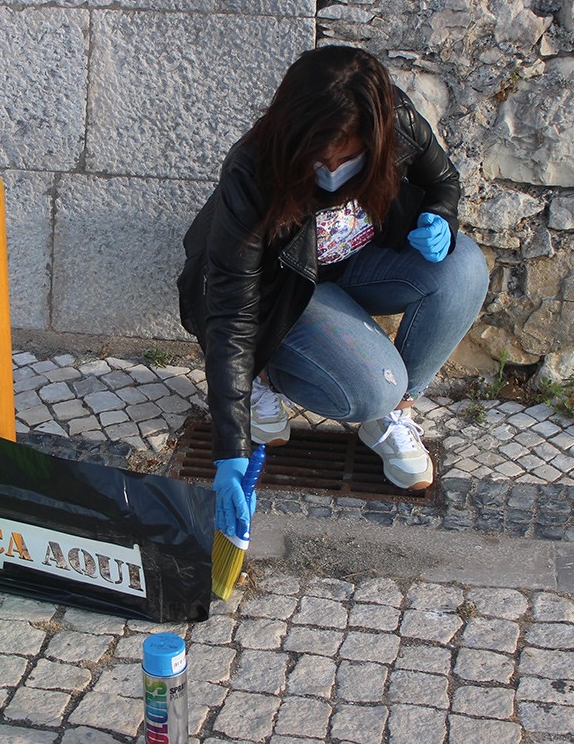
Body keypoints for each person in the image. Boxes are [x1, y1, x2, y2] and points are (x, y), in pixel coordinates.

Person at [177, 45, 489, 540]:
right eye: (318, 157)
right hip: (279, 292)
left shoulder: (397, 121)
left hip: (355, 267)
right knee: (370, 389)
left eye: (346, 157)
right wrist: (229, 452)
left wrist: (441, 216)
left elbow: (442, 179)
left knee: (464, 266)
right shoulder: (253, 171)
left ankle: (394, 414)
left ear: (375, 137)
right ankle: (265, 374)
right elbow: (231, 309)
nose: (331, 169)